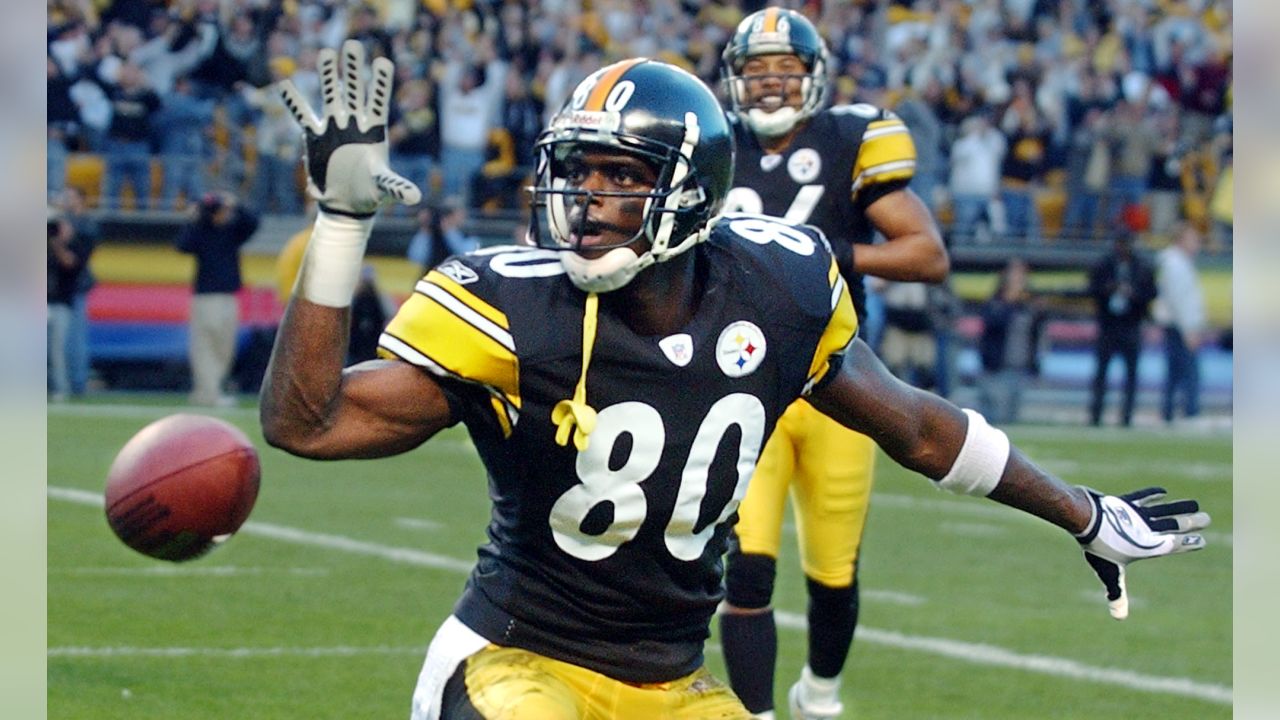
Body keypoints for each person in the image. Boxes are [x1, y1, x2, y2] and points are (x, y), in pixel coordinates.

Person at [263, 45, 1208, 720]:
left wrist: (1082, 512)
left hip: (674, 684)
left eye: (619, 175)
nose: (586, 202)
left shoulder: (781, 288)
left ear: (692, 192)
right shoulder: (515, 307)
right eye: (575, 172)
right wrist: (343, 225)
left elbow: (918, 427)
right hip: (517, 664)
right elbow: (306, 423)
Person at [717, 9, 949, 719]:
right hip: (742, 383)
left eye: (784, 70)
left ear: (814, 77)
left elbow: (928, 255)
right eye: (757, 72)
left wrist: (830, 253)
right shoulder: (712, 144)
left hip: (839, 380)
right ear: (735, 81)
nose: (770, 85)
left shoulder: (852, 137)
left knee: (832, 567)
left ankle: (819, 696)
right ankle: (755, 713)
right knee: (746, 567)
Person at [175, 190, 259, 406]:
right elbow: (182, 245)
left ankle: (212, 389)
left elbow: (253, 223)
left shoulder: (231, 231)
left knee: (225, 346)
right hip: (205, 297)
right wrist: (192, 219)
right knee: (205, 346)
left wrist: (236, 203)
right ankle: (207, 392)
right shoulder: (200, 231)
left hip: (228, 296)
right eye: (221, 210)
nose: (225, 214)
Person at [1087, 233, 1157, 427]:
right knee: (1101, 374)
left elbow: (1151, 292)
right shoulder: (1105, 264)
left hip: (1131, 325)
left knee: (1131, 375)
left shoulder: (1141, 266)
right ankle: (1095, 415)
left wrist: (1133, 294)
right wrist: (1109, 289)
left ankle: (1127, 416)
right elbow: (1092, 288)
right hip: (1109, 325)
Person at [977, 258, 1043, 425]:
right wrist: (1010, 301)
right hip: (997, 369)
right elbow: (993, 323)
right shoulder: (995, 302)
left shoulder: (1029, 304)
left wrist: (1035, 363)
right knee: (996, 420)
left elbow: (1037, 334)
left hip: (1020, 368)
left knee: (1014, 421)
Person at [1153, 223, 1207, 424]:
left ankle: (1169, 412)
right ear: (1181, 240)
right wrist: (1189, 329)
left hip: (1178, 325)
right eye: (1193, 239)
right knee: (1189, 372)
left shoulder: (1179, 262)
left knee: (1175, 372)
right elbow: (1179, 300)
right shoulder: (1175, 264)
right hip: (1180, 326)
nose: (1197, 244)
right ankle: (1189, 412)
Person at [47, 210, 90, 401]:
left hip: (63, 303)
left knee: (59, 350)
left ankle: (62, 387)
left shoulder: (77, 246)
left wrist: (57, 244)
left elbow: (70, 264)